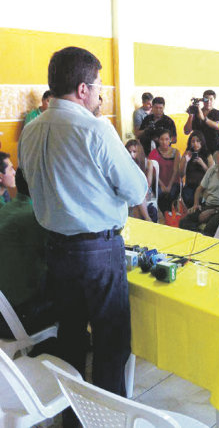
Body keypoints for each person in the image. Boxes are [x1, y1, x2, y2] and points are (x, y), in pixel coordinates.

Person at [18, 47, 148, 413]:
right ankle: (107, 418)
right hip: (97, 253)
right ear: (82, 89)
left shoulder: (31, 130)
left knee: (72, 336)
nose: (99, 93)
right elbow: (136, 189)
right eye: (98, 86)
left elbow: (28, 183)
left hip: (56, 250)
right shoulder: (93, 129)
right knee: (110, 340)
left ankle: (74, 414)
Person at [0, 169, 55, 339]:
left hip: (5, 312)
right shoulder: (36, 218)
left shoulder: (6, 209)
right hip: (17, 319)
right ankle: (71, 352)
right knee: (76, 293)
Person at [179, 143, 219, 237]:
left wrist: (213, 211)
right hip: (207, 205)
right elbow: (199, 189)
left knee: (210, 227)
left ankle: (202, 243)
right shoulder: (212, 170)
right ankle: (194, 241)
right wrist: (196, 204)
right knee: (184, 222)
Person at [148, 129, 181, 214]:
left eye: (166, 139)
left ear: (170, 140)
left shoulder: (176, 152)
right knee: (161, 195)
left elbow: (175, 170)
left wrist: (169, 186)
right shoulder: (153, 153)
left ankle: (170, 216)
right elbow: (154, 173)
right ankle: (166, 216)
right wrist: (162, 185)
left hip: (173, 182)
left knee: (171, 195)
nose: (164, 142)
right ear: (158, 140)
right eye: (162, 139)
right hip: (158, 182)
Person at [180, 130, 214, 208]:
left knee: (202, 199)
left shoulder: (207, 154)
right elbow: (181, 174)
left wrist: (202, 164)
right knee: (187, 197)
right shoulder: (187, 153)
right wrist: (185, 161)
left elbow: (212, 174)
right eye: (193, 141)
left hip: (203, 186)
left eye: (198, 141)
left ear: (202, 142)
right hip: (190, 185)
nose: (195, 144)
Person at [125, 139, 156, 222]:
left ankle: (144, 221)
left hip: (145, 190)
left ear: (139, 152)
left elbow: (148, 183)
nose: (131, 155)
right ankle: (147, 219)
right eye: (129, 152)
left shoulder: (148, 163)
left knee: (138, 195)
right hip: (131, 191)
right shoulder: (125, 164)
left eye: (134, 152)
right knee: (137, 195)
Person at [184, 89, 219, 154]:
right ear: (203, 100)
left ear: (214, 101)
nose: (208, 102)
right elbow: (187, 131)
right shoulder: (196, 113)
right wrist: (191, 115)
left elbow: (218, 126)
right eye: (206, 99)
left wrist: (204, 119)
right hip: (198, 149)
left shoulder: (218, 113)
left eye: (211, 99)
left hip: (213, 148)